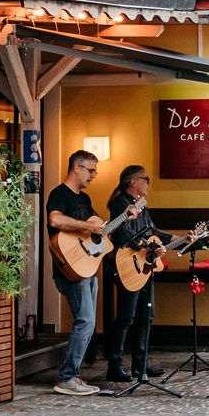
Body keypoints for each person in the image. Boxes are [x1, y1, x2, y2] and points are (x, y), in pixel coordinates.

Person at [46, 149, 120, 396]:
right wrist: (88, 225)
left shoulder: (85, 200)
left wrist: (124, 219)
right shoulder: (59, 194)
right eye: (90, 170)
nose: (93, 175)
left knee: (88, 322)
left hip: (87, 266)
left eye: (95, 171)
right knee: (85, 321)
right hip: (69, 269)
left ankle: (73, 376)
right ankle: (67, 377)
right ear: (76, 168)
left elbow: (98, 232)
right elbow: (55, 221)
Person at [103, 165, 166, 387]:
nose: (148, 183)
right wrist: (149, 246)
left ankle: (141, 363)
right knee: (127, 316)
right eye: (146, 179)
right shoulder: (122, 204)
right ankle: (115, 364)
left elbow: (153, 231)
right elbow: (123, 233)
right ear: (133, 182)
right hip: (129, 266)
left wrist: (180, 238)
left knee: (145, 315)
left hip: (144, 266)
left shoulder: (142, 206)